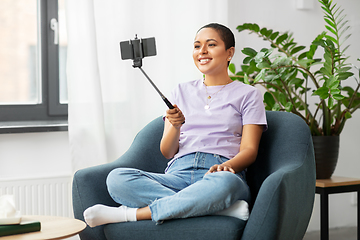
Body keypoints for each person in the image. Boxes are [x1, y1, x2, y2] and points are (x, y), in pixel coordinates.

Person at [83, 23, 267, 227]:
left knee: (228, 184)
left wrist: (227, 167)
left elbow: (250, 150)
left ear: (229, 53)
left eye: (211, 44)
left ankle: (130, 214)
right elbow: (167, 151)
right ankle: (216, 207)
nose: (202, 51)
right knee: (117, 179)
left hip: (219, 175)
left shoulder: (248, 95)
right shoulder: (180, 91)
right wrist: (175, 126)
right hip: (177, 174)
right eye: (197, 46)